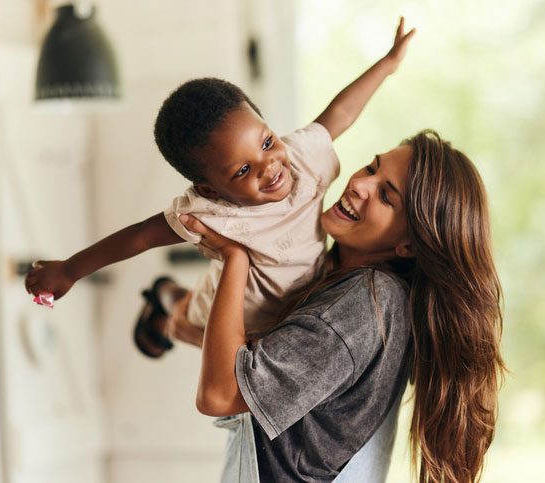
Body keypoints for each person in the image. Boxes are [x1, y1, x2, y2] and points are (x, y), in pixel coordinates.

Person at [24, 17, 417, 358]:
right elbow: (142, 236)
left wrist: (388, 64)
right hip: (222, 311)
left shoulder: (300, 159)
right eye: (243, 169)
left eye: (266, 142)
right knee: (183, 317)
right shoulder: (211, 213)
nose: (269, 167)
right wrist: (70, 270)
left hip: (286, 313)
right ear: (210, 190)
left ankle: (165, 295)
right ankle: (164, 298)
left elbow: (341, 113)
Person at [174, 130, 506, 482]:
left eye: (385, 196)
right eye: (371, 168)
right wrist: (183, 324)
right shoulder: (361, 295)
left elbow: (220, 394)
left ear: (409, 244)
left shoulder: (367, 304)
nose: (360, 185)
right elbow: (265, 365)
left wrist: (234, 256)